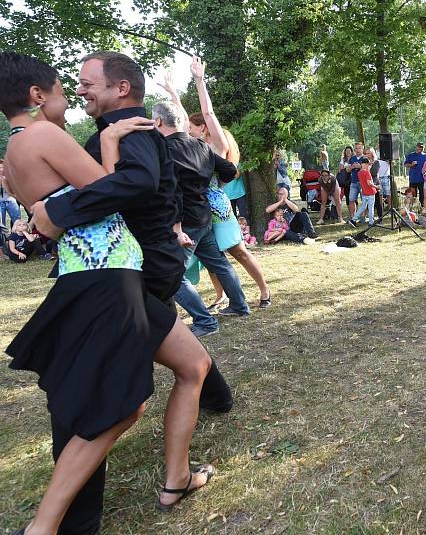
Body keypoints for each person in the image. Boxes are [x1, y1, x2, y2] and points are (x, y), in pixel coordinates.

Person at [1, 52, 214, 535]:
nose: (73, 93)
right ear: (37, 96)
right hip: (107, 275)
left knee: (193, 364)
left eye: (80, 83)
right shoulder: (49, 135)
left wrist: (105, 149)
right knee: (120, 405)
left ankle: (177, 479)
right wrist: (111, 142)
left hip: (106, 271)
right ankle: (45, 526)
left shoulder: (18, 149)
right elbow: (110, 188)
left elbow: (62, 210)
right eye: (63, 86)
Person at [168, 58, 271, 310]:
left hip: (217, 206)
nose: (187, 131)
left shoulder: (217, 146)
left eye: (192, 128)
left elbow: (208, 113)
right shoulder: (195, 147)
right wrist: (172, 93)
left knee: (238, 252)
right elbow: (179, 121)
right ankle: (222, 296)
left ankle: (264, 291)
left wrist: (199, 81)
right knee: (211, 257)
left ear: (203, 129)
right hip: (201, 208)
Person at [348, 157, 379, 226]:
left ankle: (353, 220)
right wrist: (376, 187)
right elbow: (369, 183)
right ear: (365, 164)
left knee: (363, 207)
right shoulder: (367, 172)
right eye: (368, 164)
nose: (368, 166)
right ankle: (371, 222)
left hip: (364, 193)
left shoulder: (359, 173)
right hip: (370, 192)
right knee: (371, 207)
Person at [346, 141, 368, 217]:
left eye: (359, 148)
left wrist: (360, 167)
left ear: (363, 149)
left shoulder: (365, 158)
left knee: (364, 200)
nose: (358, 150)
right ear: (354, 150)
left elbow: (368, 169)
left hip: (363, 183)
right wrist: (352, 167)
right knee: (351, 199)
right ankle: (353, 217)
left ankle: (363, 216)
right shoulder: (352, 159)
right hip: (354, 182)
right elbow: (347, 170)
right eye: (356, 148)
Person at [403, 142, 426, 206]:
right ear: (416, 147)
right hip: (413, 178)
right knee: (412, 194)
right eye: (419, 147)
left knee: (422, 195)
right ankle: (413, 208)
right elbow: (405, 164)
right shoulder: (411, 155)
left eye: (422, 147)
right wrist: (411, 164)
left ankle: (421, 208)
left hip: (423, 179)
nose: (421, 148)